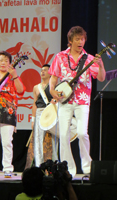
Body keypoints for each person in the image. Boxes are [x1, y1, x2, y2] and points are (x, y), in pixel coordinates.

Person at [48, 26, 106, 177]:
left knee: (82, 133)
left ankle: (87, 168)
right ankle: (68, 170)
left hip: (82, 100)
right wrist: (52, 91)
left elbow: (101, 78)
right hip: (64, 99)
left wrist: (100, 65)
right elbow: (53, 79)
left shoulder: (89, 58)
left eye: (83, 39)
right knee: (64, 134)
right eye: (77, 39)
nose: (81, 42)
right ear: (70, 41)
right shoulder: (60, 56)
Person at [25, 64, 58, 169]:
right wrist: (33, 119)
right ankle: (39, 166)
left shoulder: (54, 85)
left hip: (51, 112)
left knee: (54, 139)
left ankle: (54, 164)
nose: (42, 72)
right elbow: (34, 104)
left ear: (50, 72)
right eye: (41, 70)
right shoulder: (36, 87)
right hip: (39, 112)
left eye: (45, 70)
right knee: (37, 140)